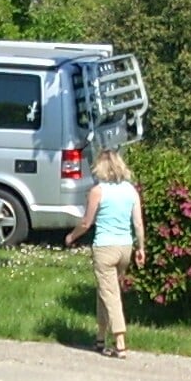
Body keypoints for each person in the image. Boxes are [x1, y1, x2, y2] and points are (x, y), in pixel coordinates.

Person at [64, 149, 146, 358]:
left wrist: (71, 237)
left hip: (104, 248)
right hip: (125, 247)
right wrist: (141, 248)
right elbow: (138, 223)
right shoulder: (130, 190)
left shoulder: (98, 191)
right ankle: (100, 337)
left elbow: (86, 222)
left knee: (110, 294)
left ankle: (120, 341)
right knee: (105, 291)